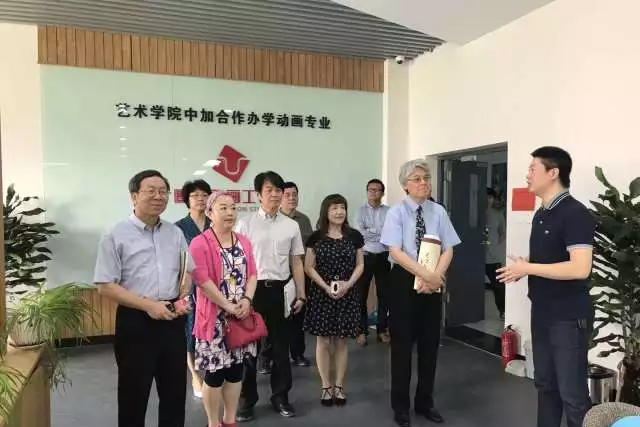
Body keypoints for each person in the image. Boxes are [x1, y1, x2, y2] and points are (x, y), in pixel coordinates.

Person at [497, 146, 595, 427]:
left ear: (553, 173)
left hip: (568, 317)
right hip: (542, 312)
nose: (527, 175)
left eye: (532, 169)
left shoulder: (575, 213)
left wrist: (528, 268)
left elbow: (580, 268)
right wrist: (525, 265)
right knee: (545, 385)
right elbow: (553, 257)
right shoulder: (542, 213)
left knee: (572, 395)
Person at [94, 169, 192, 427]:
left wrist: (184, 294)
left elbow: (187, 271)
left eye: (163, 192)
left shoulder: (175, 233)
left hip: (172, 319)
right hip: (136, 321)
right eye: (151, 191)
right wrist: (148, 306)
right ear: (134, 196)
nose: (159, 197)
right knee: (133, 395)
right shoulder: (115, 235)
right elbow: (105, 285)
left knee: (174, 394)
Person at [380, 159, 461, 427]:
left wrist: (435, 276)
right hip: (404, 279)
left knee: (429, 346)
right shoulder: (396, 213)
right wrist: (425, 275)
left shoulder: (438, 211)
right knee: (402, 347)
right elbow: (395, 251)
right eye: (417, 179)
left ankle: (425, 402)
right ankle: (400, 407)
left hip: (433, 280)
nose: (423, 182)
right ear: (405, 185)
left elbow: (449, 248)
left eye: (426, 178)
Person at [235, 171, 306, 422]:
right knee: (249, 349)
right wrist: (240, 297)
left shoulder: (291, 225)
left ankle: (280, 396)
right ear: (258, 195)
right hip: (252, 293)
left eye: (278, 190)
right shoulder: (244, 224)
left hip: (281, 291)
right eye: (269, 190)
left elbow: (296, 262)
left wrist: (301, 294)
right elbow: (238, 264)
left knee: (280, 348)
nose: (275, 195)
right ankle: (247, 400)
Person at [189, 191, 258, 427]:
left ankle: (230, 420)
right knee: (215, 375)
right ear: (209, 213)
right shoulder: (200, 243)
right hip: (214, 320)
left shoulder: (243, 241)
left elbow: (253, 274)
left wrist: (247, 300)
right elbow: (202, 280)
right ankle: (213, 422)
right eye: (223, 208)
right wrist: (227, 305)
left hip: (240, 317)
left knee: (236, 371)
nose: (230, 212)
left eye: (233, 207)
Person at [304, 194, 364, 406]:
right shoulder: (315, 237)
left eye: (342, 207)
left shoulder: (354, 236)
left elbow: (360, 264)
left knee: (341, 341)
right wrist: (325, 286)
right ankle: (325, 386)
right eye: (334, 208)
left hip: (347, 294)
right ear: (326, 212)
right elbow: (308, 266)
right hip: (322, 294)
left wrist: (348, 284)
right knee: (323, 341)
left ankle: (339, 387)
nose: (339, 212)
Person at [175, 179, 212, 398]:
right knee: (189, 333)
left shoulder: (215, 223)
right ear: (187, 200)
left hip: (212, 287)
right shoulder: (179, 227)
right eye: (195, 195)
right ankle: (195, 376)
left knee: (212, 331)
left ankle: (213, 373)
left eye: (204, 195)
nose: (200, 199)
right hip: (188, 287)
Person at [280, 181, 314, 367]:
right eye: (287, 195)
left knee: (298, 315)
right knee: (276, 317)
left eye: (294, 194)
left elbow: (310, 247)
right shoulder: (275, 219)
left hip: (300, 273)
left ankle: (298, 353)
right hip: (279, 275)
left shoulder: (304, 220)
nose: (292, 198)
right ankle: (268, 358)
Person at [354, 178, 391, 346]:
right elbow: (360, 234)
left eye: (377, 190)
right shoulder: (360, 212)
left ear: (382, 193)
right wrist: (379, 233)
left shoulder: (389, 211)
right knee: (360, 294)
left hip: (384, 256)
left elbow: (390, 233)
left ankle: (382, 330)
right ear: (367, 192)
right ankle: (361, 331)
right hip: (365, 256)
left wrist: (371, 231)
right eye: (371, 190)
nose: (374, 193)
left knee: (385, 295)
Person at [484, 187, 506, 319]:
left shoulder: (497, 215)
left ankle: (503, 310)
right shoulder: (475, 213)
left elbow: (502, 234)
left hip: (493, 258)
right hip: (475, 256)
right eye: (485, 197)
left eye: (490, 197)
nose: (488, 200)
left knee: (499, 285)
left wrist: (493, 245)